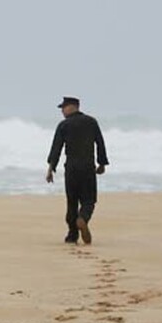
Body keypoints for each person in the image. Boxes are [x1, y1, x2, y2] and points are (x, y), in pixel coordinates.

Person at [46, 96, 109, 244]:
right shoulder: (91, 122)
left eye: (63, 107)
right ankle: (83, 218)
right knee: (89, 200)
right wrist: (102, 163)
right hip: (87, 167)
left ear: (73, 106)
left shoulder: (64, 125)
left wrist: (51, 168)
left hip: (71, 168)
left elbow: (56, 148)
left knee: (72, 201)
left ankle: (72, 235)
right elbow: (100, 143)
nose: (62, 110)